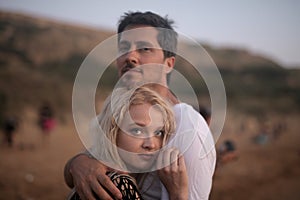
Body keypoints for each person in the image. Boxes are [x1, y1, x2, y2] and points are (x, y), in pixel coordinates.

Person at [64, 11, 216, 200]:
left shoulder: (188, 129)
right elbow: (82, 166)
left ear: (168, 63)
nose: (130, 57)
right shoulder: (117, 111)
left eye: (144, 48)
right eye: (124, 48)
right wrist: (78, 163)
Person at [69, 86, 188, 199]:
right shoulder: (118, 186)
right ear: (113, 133)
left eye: (158, 133)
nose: (151, 144)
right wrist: (178, 195)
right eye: (137, 131)